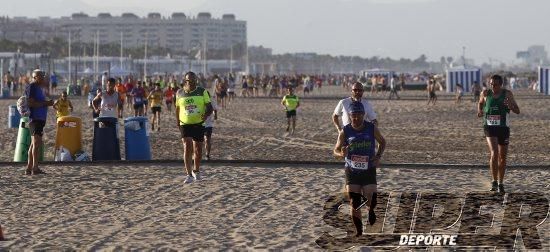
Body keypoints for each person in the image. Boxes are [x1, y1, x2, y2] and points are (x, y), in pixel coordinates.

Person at [333, 101, 386, 237]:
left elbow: (383, 142)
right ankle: (359, 232)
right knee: (354, 202)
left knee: (371, 200)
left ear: (363, 115)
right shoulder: (345, 131)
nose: (355, 118)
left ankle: (371, 211)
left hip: (368, 169)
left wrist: (378, 156)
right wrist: (341, 154)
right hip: (352, 170)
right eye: (353, 116)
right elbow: (336, 150)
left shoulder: (371, 128)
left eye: (358, 115)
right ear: (350, 116)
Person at [477, 74, 520, 193]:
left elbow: (517, 110)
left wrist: (509, 105)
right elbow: (480, 103)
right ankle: (494, 181)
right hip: (489, 127)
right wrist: (480, 110)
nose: (492, 86)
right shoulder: (485, 93)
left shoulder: (507, 94)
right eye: (491, 84)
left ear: (500, 85)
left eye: (495, 84)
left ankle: (501, 182)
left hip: (503, 128)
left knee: (503, 158)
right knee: (494, 153)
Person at [175, 71, 213, 184]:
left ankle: (196, 171)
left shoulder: (202, 92)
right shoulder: (179, 93)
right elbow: (177, 108)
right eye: (189, 81)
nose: (192, 82)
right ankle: (188, 174)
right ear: (186, 81)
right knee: (187, 146)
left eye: (194, 80)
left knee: (198, 149)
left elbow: (210, 108)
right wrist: (177, 122)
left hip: (198, 123)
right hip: (184, 123)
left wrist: (205, 115)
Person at [26, 69, 54, 175]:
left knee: (34, 144)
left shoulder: (40, 88)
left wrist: (48, 103)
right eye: (41, 76)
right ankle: (35, 167)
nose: (43, 77)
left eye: (43, 75)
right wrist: (46, 103)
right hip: (35, 118)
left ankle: (29, 167)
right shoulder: (32, 87)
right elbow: (31, 104)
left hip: (40, 119)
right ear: (35, 77)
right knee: (36, 144)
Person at [204, 91, 218, 160]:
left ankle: (207, 154)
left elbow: (215, 109)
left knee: (207, 139)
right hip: (199, 123)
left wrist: (215, 115)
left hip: (209, 123)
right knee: (198, 141)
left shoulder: (211, 100)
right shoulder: (200, 100)